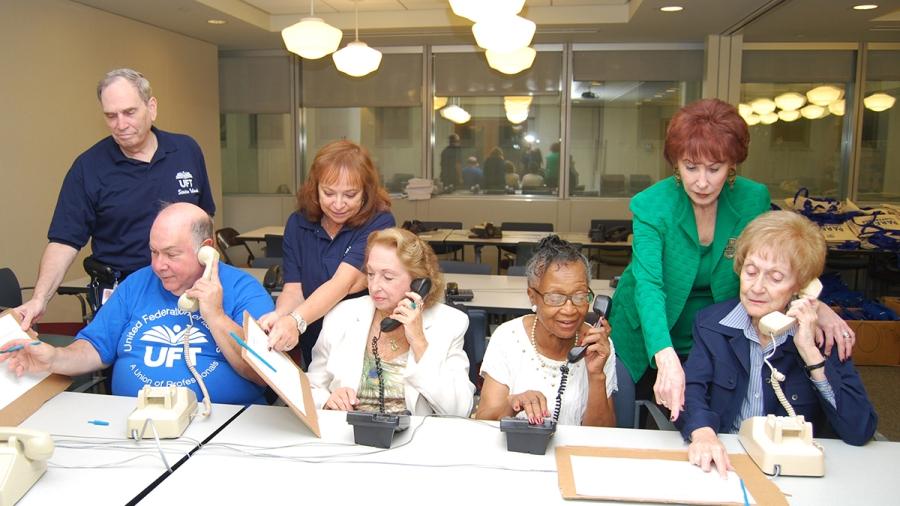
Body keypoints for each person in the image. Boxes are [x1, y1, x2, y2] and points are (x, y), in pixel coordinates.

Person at [608, 98, 855, 421]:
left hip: (715, 328)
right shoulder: (651, 205)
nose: (701, 181)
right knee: (632, 419)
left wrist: (815, 306)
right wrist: (665, 356)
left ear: (732, 164)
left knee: (710, 419)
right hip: (648, 327)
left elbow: (776, 259)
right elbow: (649, 286)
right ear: (675, 165)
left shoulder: (753, 198)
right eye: (690, 167)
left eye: (715, 168)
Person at [1, 203, 272, 405]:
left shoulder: (242, 289)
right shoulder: (136, 284)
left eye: (171, 254)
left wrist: (216, 316)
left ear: (206, 250)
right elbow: (95, 347)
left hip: (223, 427)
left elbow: (263, 374)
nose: (158, 265)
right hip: (134, 424)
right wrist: (54, 359)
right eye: (153, 252)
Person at [676, 211, 877, 476]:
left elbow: (859, 429)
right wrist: (703, 432)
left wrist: (809, 353)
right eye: (751, 271)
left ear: (802, 286)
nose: (756, 287)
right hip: (726, 462)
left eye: (775, 277)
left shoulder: (824, 337)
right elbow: (692, 388)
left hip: (792, 469)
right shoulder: (711, 324)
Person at [15, 68, 215, 330]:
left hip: (186, 289)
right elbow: (64, 241)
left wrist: (212, 274)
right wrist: (39, 299)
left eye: (129, 112)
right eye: (111, 116)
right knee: (124, 367)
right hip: (123, 291)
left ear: (151, 107)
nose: (121, 125)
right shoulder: (88, 167)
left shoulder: (186, 150)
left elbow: (206, 220)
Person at [307, 228, 474, 416]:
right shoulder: (342, 315)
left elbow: (460, 410)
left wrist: (419, 342)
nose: (375, 286)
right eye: (370, 274)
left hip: (414, 441)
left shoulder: (449, 323)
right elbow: (311, 388)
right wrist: (328, 401)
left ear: (418, 281)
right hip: (350, 436)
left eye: (388, 277)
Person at [259, 140, 395, 367]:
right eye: (329, 193)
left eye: (350, 195)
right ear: (315, 188)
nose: (338, 204)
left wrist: (295, 320)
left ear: (366, 193)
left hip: (359, 341)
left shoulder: (379, 222)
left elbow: (344, 283)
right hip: (311, 334)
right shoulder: (298, 223)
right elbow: (294, 288)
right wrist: (280, 316)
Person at [476, 236, 617, 426]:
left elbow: (603, 438)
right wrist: (512, 404)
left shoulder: (597, 346)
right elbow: (483, 422)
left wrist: (596, 375)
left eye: (579, 296)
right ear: (532, 296)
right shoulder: (507, 338)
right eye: (555, 298)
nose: (569, 309)